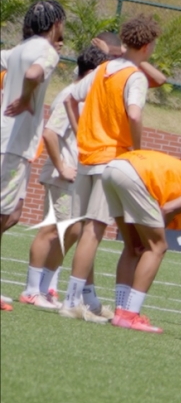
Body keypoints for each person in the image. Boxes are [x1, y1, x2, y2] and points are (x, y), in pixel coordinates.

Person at [62, 14, 161, 322]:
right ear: (146, 46)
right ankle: (71, 301)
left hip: (87, 156)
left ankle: (77, 299)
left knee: (84, 230)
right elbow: (133, 114)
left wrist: (82, 134)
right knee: (94, 230)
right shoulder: (135, 77)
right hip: (110, 159)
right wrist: (137, 149)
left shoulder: (103, 68)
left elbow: (70, 98)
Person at [21, 45, 106, 309]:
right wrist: (61, 167)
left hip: (75, 177)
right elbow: (50, 133)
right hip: (62, 177)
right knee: (51, 229)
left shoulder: (85, 98)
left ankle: (45, 288)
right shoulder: (70, 95)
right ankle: (32, 290)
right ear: (91, 72)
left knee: (72, 231)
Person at [101, 149, 181, 333]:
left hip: (112, 169)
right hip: (135, 174)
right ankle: (130, 315)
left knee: (133, 247)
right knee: (158, 247)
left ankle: (121, 313)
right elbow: (167, 209)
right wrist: (155, 236)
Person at [2, 0, 65, 234]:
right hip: (14, 144)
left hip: (10, 140)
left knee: (14, 214)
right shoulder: (48, 52)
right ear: (57, 24)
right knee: (4, 214)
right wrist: (26, 98)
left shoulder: (19, 49)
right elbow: (32, 74)